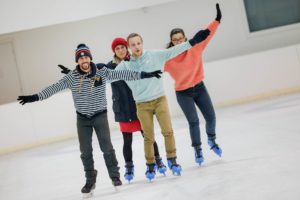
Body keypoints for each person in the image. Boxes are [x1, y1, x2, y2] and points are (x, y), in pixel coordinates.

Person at [17, 43, 162, 197]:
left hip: (100, 115)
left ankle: (115, 176)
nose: (84, 60)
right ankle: (90, 180)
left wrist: (146, 74)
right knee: (85, 151)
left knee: (107, 147)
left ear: (90, 58)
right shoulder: (72, 77)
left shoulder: (102, 72)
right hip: (82, 118)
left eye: (86, 57)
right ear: (77, 61)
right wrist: (34, 97)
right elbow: (53, 88)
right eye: (80, 58)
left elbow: (124, 75)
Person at [58, 38, 167, 183]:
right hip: (122, 109)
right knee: (126, 140)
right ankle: (129, 166)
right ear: (114, 51)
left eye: (123, 47)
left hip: (138, 105)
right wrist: (73, 72)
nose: (121, 50)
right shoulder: (108, 67)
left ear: (126, 48)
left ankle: (157, 160)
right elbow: (89, 66)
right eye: (117, 48)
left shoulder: (133, 62)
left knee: (148, 136)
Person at [114, 26, 210, 180]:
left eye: (138, 43)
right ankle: (150, 165)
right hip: (142, 105)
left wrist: (193, 41)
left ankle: (172, 160)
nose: (136, 47)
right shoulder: (125, 66)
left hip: (160, 100)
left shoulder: (155, 55)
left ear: (142, 43)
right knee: (149, 137)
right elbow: (107, 76)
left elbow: (174, 50)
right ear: (129, 47)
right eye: (133, 45)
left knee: (168, 131)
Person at [164, 3, 223, 166]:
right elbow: (151, 63)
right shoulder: (167, 58)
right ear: (171, 41)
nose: (178, 42)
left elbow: (207, 34)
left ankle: (211, 140)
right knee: (194, 121)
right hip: (183, 93)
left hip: (199, 88)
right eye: (174, 40)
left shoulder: (195, 47)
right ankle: (198, 149)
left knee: (211, 117)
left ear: (185, 38)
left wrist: (217, 20)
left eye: (180, 39)